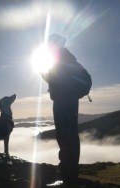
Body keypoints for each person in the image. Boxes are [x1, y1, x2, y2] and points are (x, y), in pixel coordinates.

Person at [42, 34, 80, 186]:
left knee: (66, 138)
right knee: (68, 137)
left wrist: (44, 74)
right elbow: (56, 80)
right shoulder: (66, 58)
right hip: (68, 102)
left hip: (63, 103)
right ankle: (68, 176)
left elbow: (57, 81)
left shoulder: (61, 59)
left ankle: (67, 179)